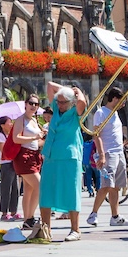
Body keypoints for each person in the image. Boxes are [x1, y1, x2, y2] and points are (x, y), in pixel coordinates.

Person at [39, 82, 86, 241]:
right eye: (58, 102)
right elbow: (50, 85)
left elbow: (82, 102)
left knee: (71, 192)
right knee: (46, 192)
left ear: (71, 102)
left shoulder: (75, 112)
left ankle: (75, 230)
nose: (59, 105)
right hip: (51, 155)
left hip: (69, 157)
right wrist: (65, 91)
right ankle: (46, 229)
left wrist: (76, 91)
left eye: (63, 102)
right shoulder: (57, 109)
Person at [85, 88, 128, 228]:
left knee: (116, 187)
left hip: (119, 152)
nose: (123, 104)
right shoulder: (101, 113)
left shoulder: (115, 113)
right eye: (122, 100)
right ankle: (93, 214)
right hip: (109, 153)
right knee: (106, 185)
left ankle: (115, 216)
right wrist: (102, 154)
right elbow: (96, 135)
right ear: (115, 98)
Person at [10, 96, 45, 227]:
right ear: (25, 104)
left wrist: (43, 138)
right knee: (40, 186)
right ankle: (29, 218)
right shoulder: (21, 119)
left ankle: (27, 220)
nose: (33, 106)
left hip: (34, 156)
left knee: (29, 189)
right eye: (31, 103)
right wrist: (35, 137)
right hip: (24, 157)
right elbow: (16, 138)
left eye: (36, 104)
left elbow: (37, 142)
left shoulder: (34, 121)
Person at [0, 115, 21, 220]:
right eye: (9, 122)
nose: (11, 124)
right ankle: (4, 212)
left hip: (14, 163)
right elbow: (3, 150)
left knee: (16, 188)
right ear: (2, 125)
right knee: (6, 188)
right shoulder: (0, 136)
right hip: (6, 163)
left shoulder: (11, 135)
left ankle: (14, 210)